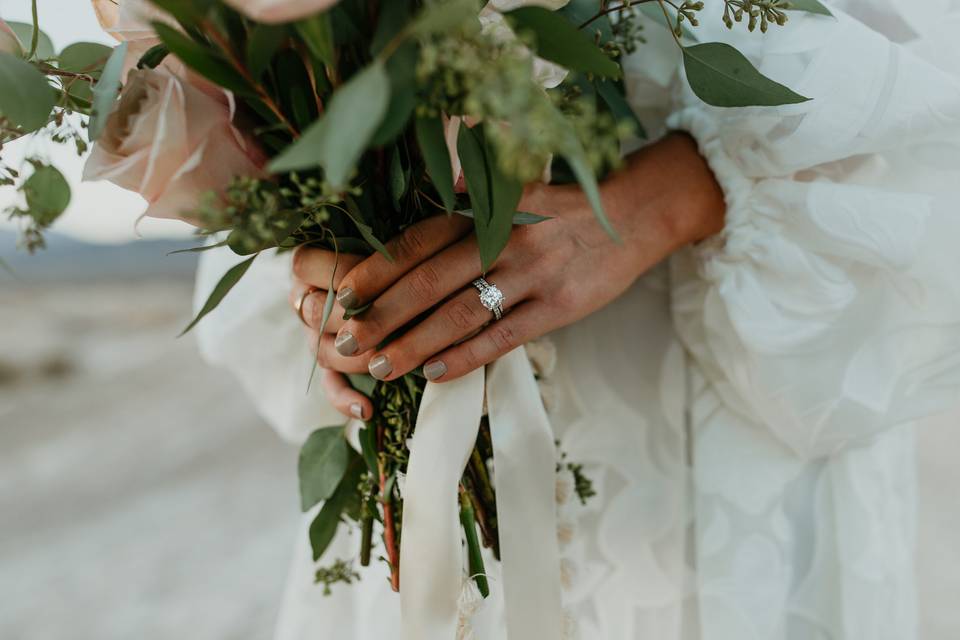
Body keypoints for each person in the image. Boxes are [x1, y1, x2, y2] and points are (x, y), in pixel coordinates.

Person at [194, 2, 960, 638]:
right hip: (427, 425)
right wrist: (326, 264)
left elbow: (920, 66)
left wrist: (660, 202)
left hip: (736, 367)